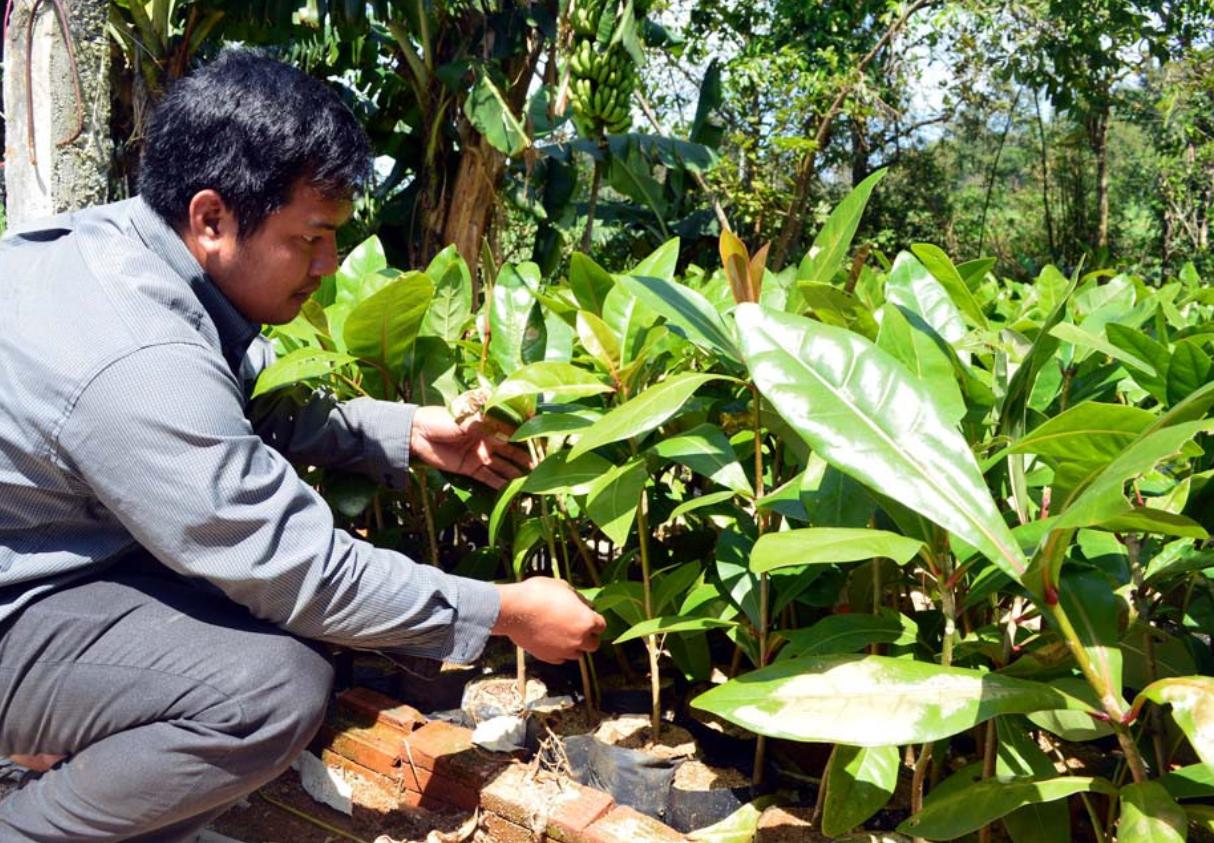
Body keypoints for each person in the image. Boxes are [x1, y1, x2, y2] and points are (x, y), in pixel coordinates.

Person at [0, 48, 605, 842]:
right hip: (20, 604)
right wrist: (506, 611)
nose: (329, 266)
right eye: (311, 239)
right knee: (270, 687)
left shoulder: (123, 247)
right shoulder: (137, 357)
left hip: (39, 558)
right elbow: (298, 568)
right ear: (212, 217)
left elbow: (228, 404)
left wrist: (405, 430)